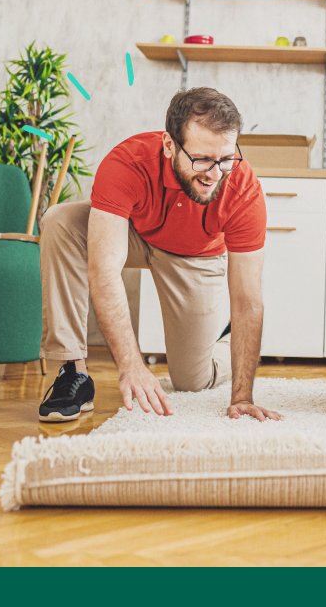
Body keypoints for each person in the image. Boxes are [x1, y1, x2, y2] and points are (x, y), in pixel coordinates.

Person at [37, 87, 282, 423]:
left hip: (196, 256)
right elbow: (104, 271)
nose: (214, 174)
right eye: (202, 159)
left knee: (192, 381)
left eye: (225, 159)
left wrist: (242, 396)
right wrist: (131, 365)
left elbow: (247, 301)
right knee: (61, 221)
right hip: (137, 235)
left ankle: (223, 341)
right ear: (170, 146)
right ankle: (72, 372)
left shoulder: (243, 189)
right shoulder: (128, 161)